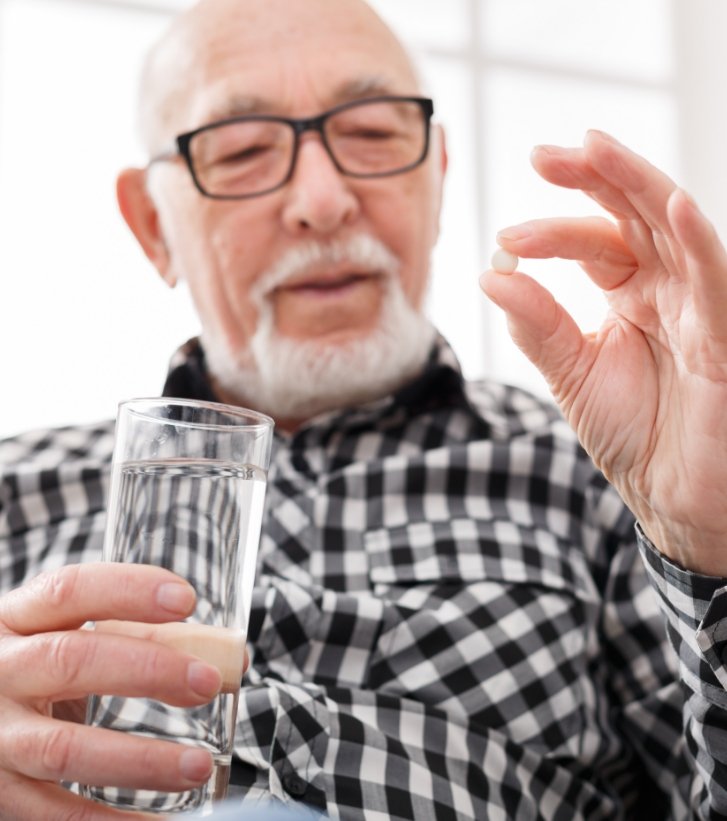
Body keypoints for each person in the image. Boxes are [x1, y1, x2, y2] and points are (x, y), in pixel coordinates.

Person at [1, 0, 727, 817]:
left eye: (375, 135)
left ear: (438, 177)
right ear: (152, 227)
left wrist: (707, 543)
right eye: (241, 151)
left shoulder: (604, 474)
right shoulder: (11, 491)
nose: (323, 199)